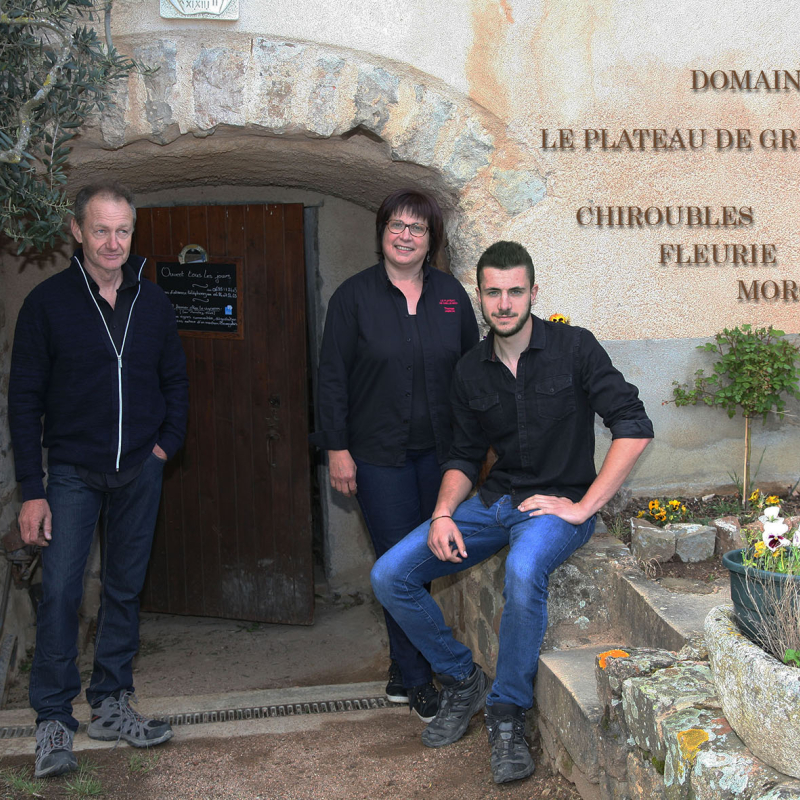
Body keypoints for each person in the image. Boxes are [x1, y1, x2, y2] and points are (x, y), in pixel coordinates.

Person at [371, 241, 653, 784]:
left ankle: (507, 713)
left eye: (515, 291)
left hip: (553, 508)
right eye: (494, 292)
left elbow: (634, 425)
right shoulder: (470, 370)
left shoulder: (574, 348)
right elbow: (462, 455)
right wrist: (442, 514)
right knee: (389, 574)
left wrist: (585, 505)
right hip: (492, 502)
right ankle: (460, 678)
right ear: (480, 296)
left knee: (525, 571)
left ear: (533, 293)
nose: (504, 303)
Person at [8, 180, 189, 778]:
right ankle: (54, 720)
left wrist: (164, 448)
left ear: (132, 233)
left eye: (123, 230)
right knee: (60, 590)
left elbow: (176, 384)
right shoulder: (48, 303)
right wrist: (32, 489)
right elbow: (24, 400)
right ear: (77, 232)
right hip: (71, 474)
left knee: (123, 590)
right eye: (101, 229)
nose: (113, 242)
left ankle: (111, 703)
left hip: (141, 467)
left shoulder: (154, 303)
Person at [310, 189, 479, 721]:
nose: (406, 235)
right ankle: (416, 679)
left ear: (432, 241)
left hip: (441, 456)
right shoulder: (353, 297)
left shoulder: (451, 295)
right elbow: (331, 379)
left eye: (418, 228)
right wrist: (337, 449)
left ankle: (403, 669)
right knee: (397, 566)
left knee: (419, 565)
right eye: (397, 225)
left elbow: (474, 372)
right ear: (381, 232)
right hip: (378, 457)